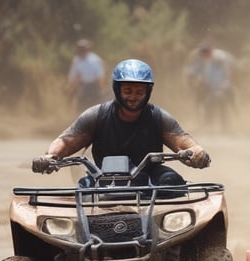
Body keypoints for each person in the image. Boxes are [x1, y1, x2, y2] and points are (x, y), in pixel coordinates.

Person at [33, 59, 211, 185]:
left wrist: (197, 152)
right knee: (85, 187)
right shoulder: (96, 115)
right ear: (117, 90)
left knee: (171, 181)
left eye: (139, 92)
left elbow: (182, 141)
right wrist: (50, 156)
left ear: (148, 92)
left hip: (151, 175)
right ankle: (85, 234)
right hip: (104, 176)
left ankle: (170, 230)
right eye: (128, 91)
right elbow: (66, 141)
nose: (133, 97)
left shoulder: (158, 117)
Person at [184, 42, 237, 132]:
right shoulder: (206, 59)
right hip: (213, 87)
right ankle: (210, 125)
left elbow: (228, 72)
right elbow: (204, 73)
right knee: (209, 104)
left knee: (225, 105)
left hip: (223, 86)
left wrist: (225, 85)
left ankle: (227, 127)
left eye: (205, 54)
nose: (204, 56)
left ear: (209, 52)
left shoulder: (221, 58)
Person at [65, 38, 106, 113]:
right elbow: (73, 74)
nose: (81, 51)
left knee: (99, 101)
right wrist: (69, 86)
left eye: (83, 49)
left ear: (87, 49)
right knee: (80, 101)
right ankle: (80, 117)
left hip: (94, 85)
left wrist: (101, 87)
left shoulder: (94, 59)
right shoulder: (76, 60)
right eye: (80, 49)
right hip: (84, 85)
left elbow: (100, 75)